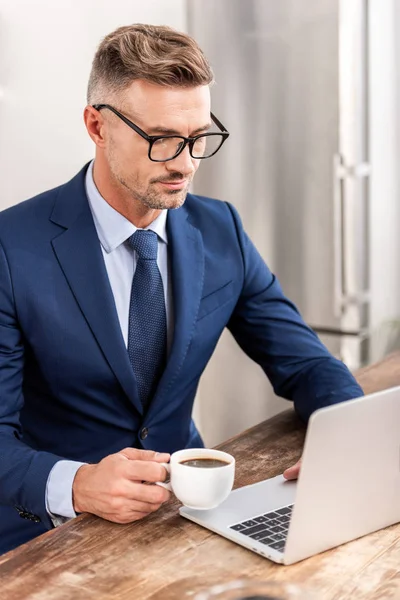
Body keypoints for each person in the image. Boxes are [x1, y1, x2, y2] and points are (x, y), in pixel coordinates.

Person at [0, 24, 363, 555]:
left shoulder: (222, 230)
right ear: (97, 126)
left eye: (198, 138)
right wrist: (76, 483)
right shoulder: (12, 249)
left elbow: (305, 363)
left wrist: (346, 437)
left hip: (188, 515)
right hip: (47, 533)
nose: (185, 163)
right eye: (161, 139)